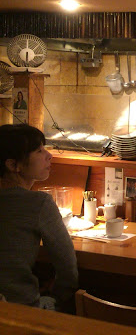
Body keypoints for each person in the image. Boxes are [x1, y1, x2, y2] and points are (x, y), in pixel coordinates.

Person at [0, 124, 78, 311]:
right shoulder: (39, 203)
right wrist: (56, 298)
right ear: (13, 165)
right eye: (39, 151)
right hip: (20, 312)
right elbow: (67, 268)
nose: (49, 155)